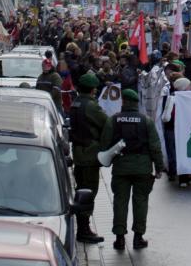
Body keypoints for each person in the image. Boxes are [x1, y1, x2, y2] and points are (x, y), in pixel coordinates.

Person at [100, 88, 164, 251]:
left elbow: (105, 145)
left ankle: (120, 238)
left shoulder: (113, 120)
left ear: (124, 102)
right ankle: (138, 237)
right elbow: (155, 146)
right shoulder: (146, 121)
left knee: (120, 202)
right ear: (136, 103)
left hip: (121, 168)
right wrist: (159, 167)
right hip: (142, 168)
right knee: (141, 202)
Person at [69, 73, 107, 244]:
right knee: (89, 192)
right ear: (93, 90)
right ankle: (84, 230)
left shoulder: (76, 103)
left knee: (81, 189)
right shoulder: (91, 106)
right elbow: (106, 123)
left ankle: (83, 227)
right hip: (89, 153)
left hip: (78, 153)